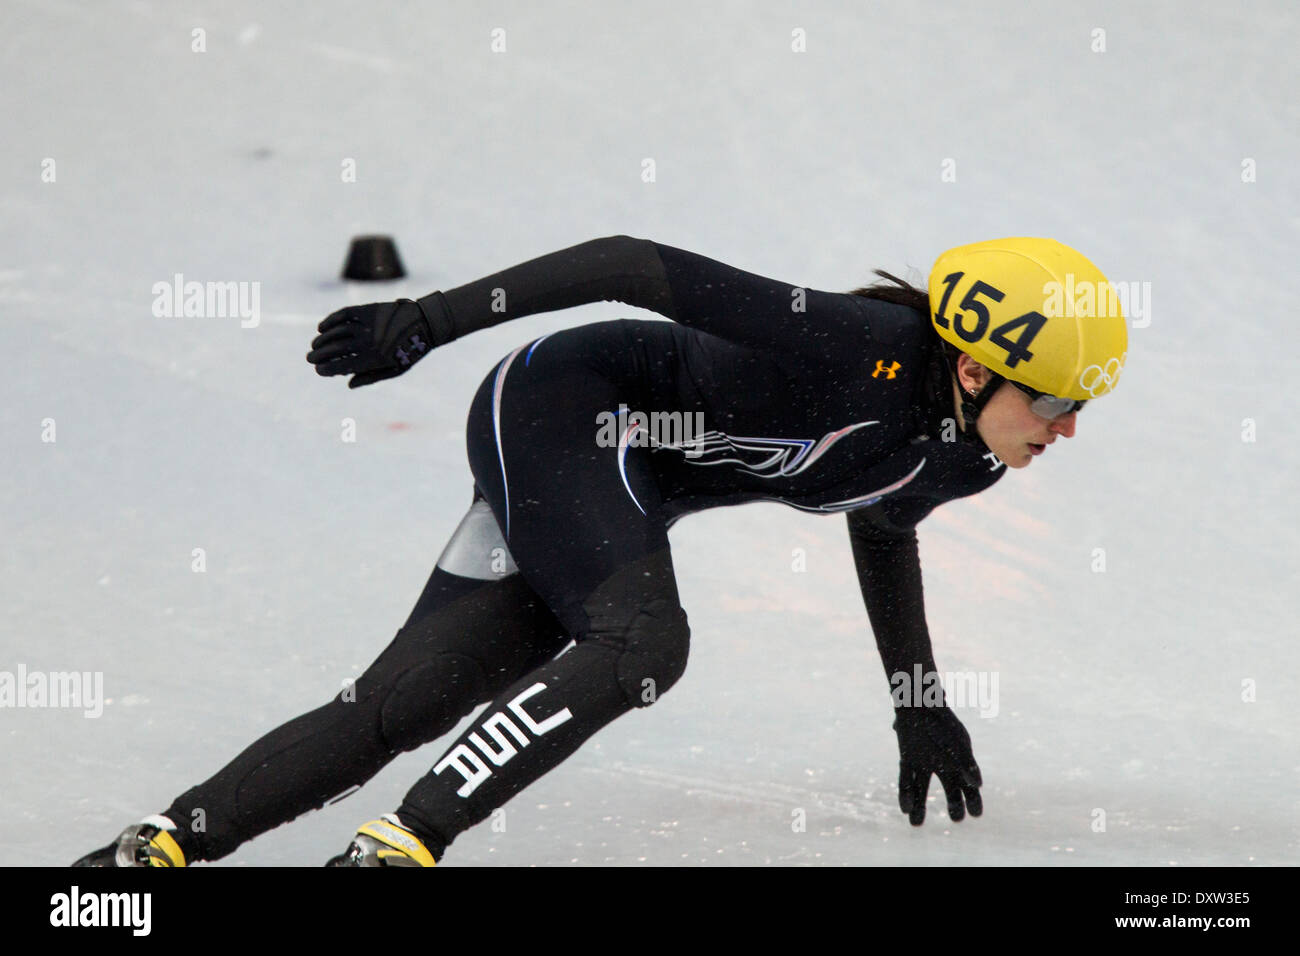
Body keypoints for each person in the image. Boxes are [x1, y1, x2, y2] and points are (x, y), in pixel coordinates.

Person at [73, 234, 1127, 867]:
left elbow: (883, 523)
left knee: (406, 700)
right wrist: (432, 317)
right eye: (1055, 401)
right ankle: (402, 845)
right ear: (979, 368)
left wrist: (915, 697)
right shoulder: (863, 347)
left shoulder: (964, 455)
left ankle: (153, 850)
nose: (1065, 430)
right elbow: (633, 263)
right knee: (642, 643)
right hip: (565, 405)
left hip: (625, 484)